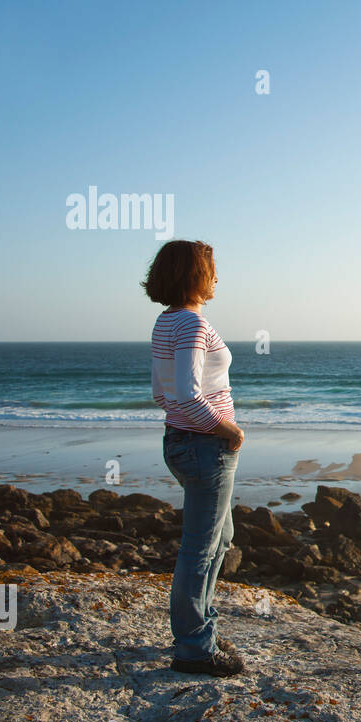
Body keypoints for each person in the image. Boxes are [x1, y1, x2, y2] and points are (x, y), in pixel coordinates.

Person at [142, 240, 246, 676]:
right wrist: (228, 430)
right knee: (201, 548)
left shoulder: (166, 322)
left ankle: (200, 627)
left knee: (220, 536)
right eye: (212, 269)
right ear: (194, 275)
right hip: (205, 446)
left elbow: (160, 392)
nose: (217, 278)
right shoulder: (191, 324)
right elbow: (185, 393)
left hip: (183, 441)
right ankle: (193, 649)